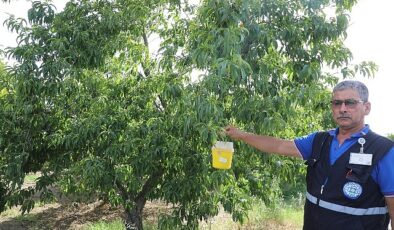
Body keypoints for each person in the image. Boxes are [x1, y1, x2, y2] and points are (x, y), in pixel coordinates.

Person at [224, 80, 394, 230]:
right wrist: (241, 135)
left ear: (366, 107)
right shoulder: (319, 140)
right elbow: (279, 145)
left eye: (350, 103)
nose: (342, 109)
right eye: (337, 103)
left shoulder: (383, 150)